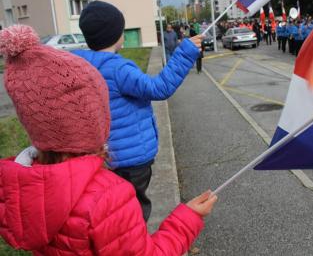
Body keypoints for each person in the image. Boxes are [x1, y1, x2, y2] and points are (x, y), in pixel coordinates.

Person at [0, 24, 217, 255]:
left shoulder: (22, 186)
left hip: (91, 173)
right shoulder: (110, 197)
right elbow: (159, 87)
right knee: (132, 220)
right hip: (130, 163)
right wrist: (187, 220)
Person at [73, 1, 202, 221]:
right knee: (135, 211)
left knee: (115, 209)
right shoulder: (118, 69)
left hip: (105, 155)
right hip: (131, 160)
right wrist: (186, 52)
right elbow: (159, 88)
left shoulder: (81, 64)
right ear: (116, 35)